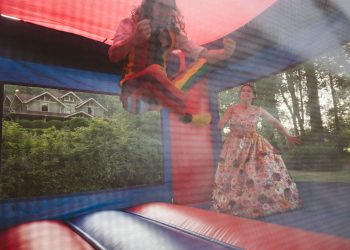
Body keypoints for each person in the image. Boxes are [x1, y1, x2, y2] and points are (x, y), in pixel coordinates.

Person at [108, 0, 236, 125]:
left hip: (158, 96)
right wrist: (135, 39)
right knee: (154, 70)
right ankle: (183, 111)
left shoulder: (173, 34)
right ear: (150, 4)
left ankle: (181, 111)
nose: (165, 12)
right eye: (161, 6)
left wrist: (225, 53)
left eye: (169, 8)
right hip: (133, 96)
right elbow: (113, 55)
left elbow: (204, 54)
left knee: (203, 61)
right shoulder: (130, 23)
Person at [212, 83, 301, 218]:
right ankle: (235, 203)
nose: (246, 93)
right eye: (243, 91)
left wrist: (287, 135)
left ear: (253, 95)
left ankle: (262, 202)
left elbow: (275, 122)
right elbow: (220, 124)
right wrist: (212, 123)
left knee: (262, 169)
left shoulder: (258, 109)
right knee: (234, 173)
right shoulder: (232, 109)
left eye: (249, 91)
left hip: (254, 143)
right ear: (240, 94)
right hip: (235, 145)